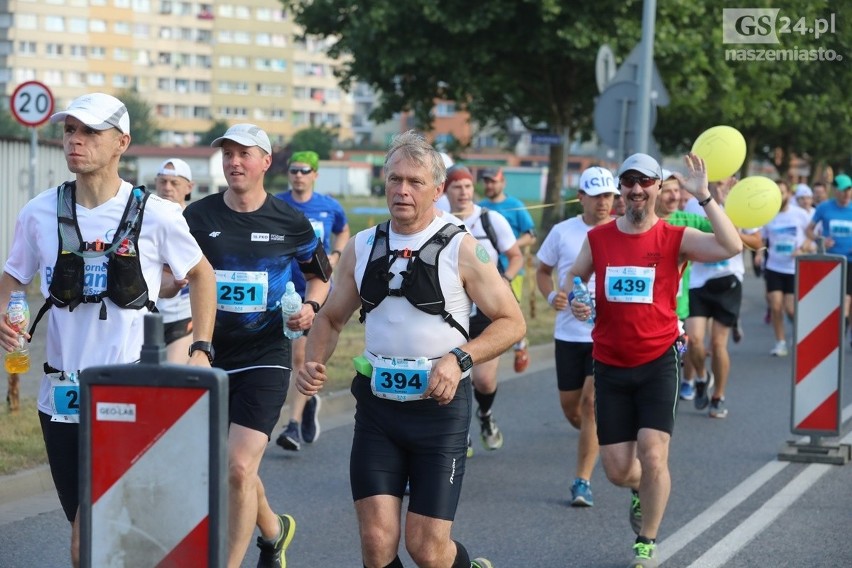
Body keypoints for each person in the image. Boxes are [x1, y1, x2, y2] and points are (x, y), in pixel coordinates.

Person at [0, 93, 217, 568]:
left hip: (131, 390)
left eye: (89, 132)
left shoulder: (157, 214)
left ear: (122, 142)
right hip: (60, 396)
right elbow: (13, 277)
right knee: (96, 535)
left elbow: (202, 274)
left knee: (92, 536)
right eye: (69, 131)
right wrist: (7, 311)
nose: (75, 141)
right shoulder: (39, 212)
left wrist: (201, 346)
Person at [297, 131, 524, 568]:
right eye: (395, 179)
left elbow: (512, 322)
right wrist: (313, 362)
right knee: (377, 544)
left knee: (427, 549)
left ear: (437, 189)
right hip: (378, 410)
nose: (402, 190)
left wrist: (460, 359)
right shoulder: (362, 246)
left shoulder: (463, 247)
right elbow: (329, 317)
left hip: (439, 412)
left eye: (415, 182)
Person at [567, 152, 742, 568]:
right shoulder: (600, 239)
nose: (636, 189)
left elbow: (731, 245)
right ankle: (639, 491)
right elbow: (575, 279)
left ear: (659, 188)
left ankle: (646, 540)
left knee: (653, 452)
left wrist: (704, 198)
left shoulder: (674, 237)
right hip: (610, 364)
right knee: (617, 470)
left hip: (658, 360)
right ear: (622, 189)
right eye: (629, 181)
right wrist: (575, 297)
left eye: (645, 181)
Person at [183, 124, 331, 568]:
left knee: (239, 468)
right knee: (233, 468)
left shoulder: (289, 220)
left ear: (266, 162)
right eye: (227, 154)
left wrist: (310, 307)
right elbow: (175, 274)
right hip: (209, 353)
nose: (234, 162)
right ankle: (275, 530)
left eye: (244, 154)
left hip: (266, 355)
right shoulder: (198, 216)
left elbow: (320, 275)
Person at [535, 166, 619, 508]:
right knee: (572, 409)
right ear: (580, 197)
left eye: (609, 196)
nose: (603, 202)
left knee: (590, 406)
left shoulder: (621, 231)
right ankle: (594, 436)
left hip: (606, 334)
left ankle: (581, 481)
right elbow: (542, 271)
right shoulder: (562, 231)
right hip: (569, 334)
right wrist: (550, 295)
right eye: (596, 195)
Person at [274, 150, 349, 452]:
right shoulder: (278, 204)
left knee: (300, 357)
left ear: (315, 174)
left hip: (316, 293)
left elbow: (342, 230)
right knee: (293, 357)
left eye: (305, 170)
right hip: (283, 291)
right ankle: (308, 401)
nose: (298, 175)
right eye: (294, 170)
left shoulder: (329, 206)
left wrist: (336, 255)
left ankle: (292, 425)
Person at [445, 165, 522, 454]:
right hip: (452, 311)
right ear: (445, 190)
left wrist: (505, 280)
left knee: (484, 379)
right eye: (457, 187)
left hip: (486, 310)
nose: (463, 192)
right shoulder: (438, 219)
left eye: (467, 186)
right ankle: (458, 432)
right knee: (453, 371)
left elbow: (515, 257)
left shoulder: (491, 219)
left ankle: (485, 416)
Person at [684, 175, 762, 418]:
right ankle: (701, 376)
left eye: (724, 180)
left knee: (718, 344)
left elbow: (757, 242)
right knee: (694, 340)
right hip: (698, 281)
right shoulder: (692, 203)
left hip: (729, 280)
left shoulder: (743, 204)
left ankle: (718, 395)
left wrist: (730, 228)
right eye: (716, 180)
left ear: (734, 180)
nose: (720, 185)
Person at [654, 170, 713, 401]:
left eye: (677, 191)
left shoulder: (687, 221)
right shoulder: (643, 223)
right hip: (650, 308)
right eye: (667, 191)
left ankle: (699, 374)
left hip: (679, 307)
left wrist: (708, 198)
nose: (673, 196)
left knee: (687, 348)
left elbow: (724, 232)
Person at [478, 167, 536, 373]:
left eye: (493, 181)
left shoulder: (515, 205)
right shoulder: (479, 207)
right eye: (486, 181)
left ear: (503, 183)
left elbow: (531, 235)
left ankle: (520, 345)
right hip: (485, 271)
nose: (489, 185)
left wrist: (510, 245)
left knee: (510, 310)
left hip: (511, 269)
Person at [757, 181, 814, 357]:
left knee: (791, 309)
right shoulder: (768, 215)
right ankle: (780, 342)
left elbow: (811, 236)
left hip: (794, 268)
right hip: (774, 267)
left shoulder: (800, 214)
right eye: (776, 193)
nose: (780, 197)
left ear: (789, 194)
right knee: (775, 306)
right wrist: (759, 254)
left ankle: (800, 334)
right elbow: (761, 239)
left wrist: (802, 248)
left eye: (782, 192)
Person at [153, 158, 197, 363]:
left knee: (172, 380)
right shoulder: (141, 218)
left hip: (182, 315)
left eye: (174, 183)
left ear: (189, 187)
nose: (167, 188)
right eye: (163, 182)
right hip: (146, 316)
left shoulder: (196, 220)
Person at [806, 173, 852, 344]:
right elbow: (809, 230)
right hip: (831, 262)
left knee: (848, 299)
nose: (846, 194)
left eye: (849, 190)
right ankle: (836, 333)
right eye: (842, 190)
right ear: (835, 191)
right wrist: (821, 240)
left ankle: (843, 332)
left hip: (850, 260)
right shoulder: (825, 208)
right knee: (839, 299)